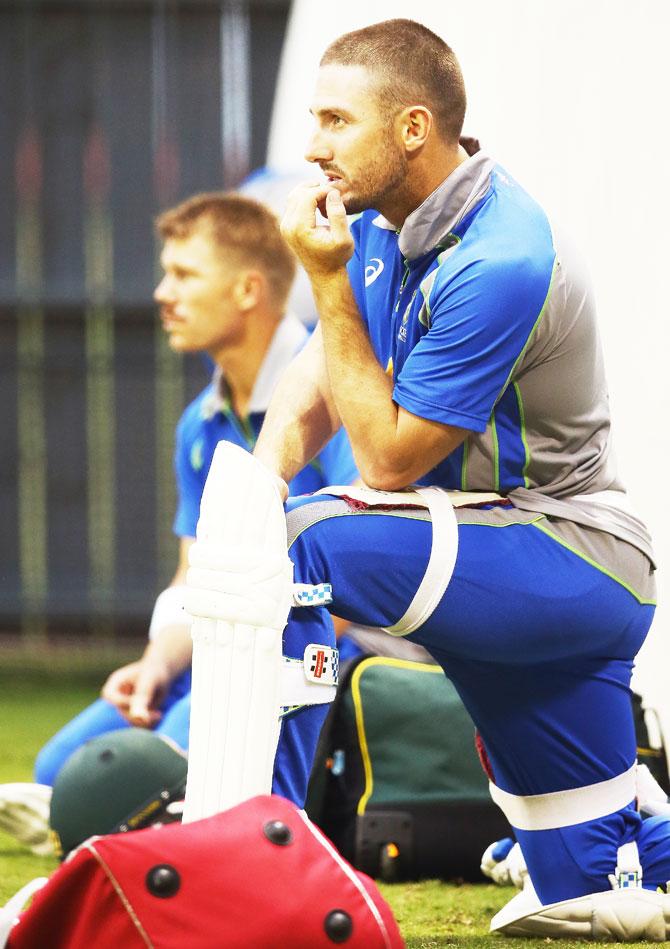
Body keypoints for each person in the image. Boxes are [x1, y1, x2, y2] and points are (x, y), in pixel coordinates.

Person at [247, 17, 665, 917]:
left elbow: (389, 461)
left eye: (333, 121)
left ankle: (258, 857)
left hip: (574, 555)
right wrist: (254, 490)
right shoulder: (381, 221)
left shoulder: (500, 255)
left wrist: (324, 282)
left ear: (410, 129)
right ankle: (641, 837)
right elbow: (319, 371)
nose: (312, 147)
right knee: (592, 884)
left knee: (307, 540)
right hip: (510, 555)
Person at [30, 192, 357, 805]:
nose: (161, 292)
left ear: (247, 290)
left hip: (308, 658)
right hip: (221, 647)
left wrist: (232, 677)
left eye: (183, 274)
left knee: (154, 778)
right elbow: (195, 574)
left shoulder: (337, 387)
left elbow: (352, 590)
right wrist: (157, 665)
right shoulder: (197, 424)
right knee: (56, 771)